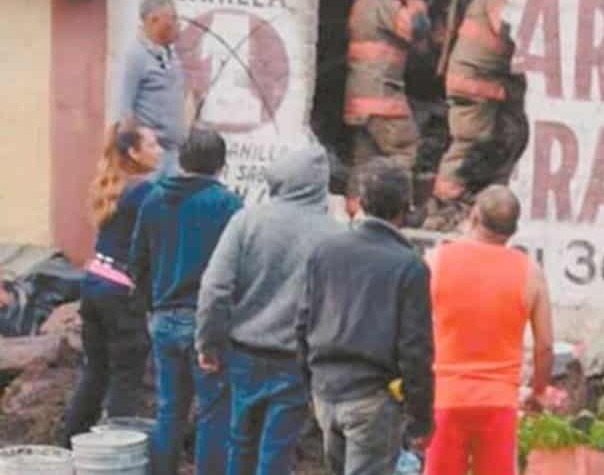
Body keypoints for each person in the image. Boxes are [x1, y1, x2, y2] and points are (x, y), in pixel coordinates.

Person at [196, 145, 342, 475]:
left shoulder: (247, 221)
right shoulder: (335, 236)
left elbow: (215, 289)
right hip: (297, 360)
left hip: (243, 353)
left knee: (240, 440)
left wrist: (208, 343)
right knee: (277, 449)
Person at [298, 158, 434, 475]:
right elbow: (415, 349)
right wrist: (421, 416)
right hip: (370, 399)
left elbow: (302, 323)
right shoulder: (408, 265)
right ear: (405, 206)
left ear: (361, 202)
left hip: (326, 392)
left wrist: (310, 386)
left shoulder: (325, 251)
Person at [130, 128, 243, 475]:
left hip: (163, 319)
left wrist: (151, 308)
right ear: (221, 165)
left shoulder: (153, 199)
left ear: (181, 159)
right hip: (206, 323)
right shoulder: (228, 205)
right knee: (213, 413)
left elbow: (138, 261)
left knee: (169, 410)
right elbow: (239, 271)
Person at [424, 186, 553, 475]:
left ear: (473, 216)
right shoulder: (530, 272)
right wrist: (538, 391)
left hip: (447, 396)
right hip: (499, 401)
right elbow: (544, 345)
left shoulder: (438, 261)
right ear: (513, 229)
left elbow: (414, 329)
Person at [60, 123, 162, 445]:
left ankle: (70, 445)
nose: (159, 150)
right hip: (120, 293)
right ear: (134, 153)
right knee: (126, 377)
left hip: (94, 283)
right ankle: (116, 454)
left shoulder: (114, 186)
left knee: (96, 371)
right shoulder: (146, 192)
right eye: (153, 144)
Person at [428, 0, 529, 231]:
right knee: (471, 141)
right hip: (477, 85)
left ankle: (468, 203)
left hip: (480, 83)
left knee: (505, 136)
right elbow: (505, 26)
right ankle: (444, 207)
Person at [343, 0, 431, 215]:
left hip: (358, 101)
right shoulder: (384, 4)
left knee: (364, 160)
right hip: (382, 98)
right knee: (404, 151)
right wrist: (414, 0)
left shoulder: (360, 4)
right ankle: (395, 211)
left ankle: (355, 213)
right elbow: (416, 29)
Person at [116, 0, 188, 176]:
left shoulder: (170, 53)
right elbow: (124, 108)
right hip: (150, 158)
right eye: (170, 20)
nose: (176, 24)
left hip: (174, 153)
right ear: (153, 21)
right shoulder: (136, 56)